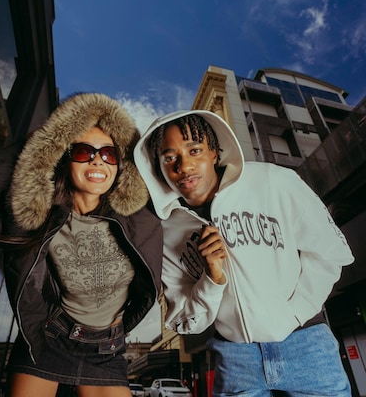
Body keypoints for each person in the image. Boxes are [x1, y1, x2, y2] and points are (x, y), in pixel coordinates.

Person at [134, 110, 354, 396]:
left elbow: (329, 252)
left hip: (306, 343)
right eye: (169, 157)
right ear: (158, 167)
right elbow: (185, 321)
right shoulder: (166, 230)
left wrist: (294, 313)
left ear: (214, 152)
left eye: (194, 150)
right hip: (235, 359)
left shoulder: (275, 181)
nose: (184, 166)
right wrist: (211, 280)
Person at [0, 93, 163, 397]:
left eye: (109, 154)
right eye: (84, 151)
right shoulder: (36, 216)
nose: (97, 160)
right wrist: (34, 151)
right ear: (62, 156)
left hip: (106, 349)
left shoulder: (140, 218)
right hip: (48, 339)